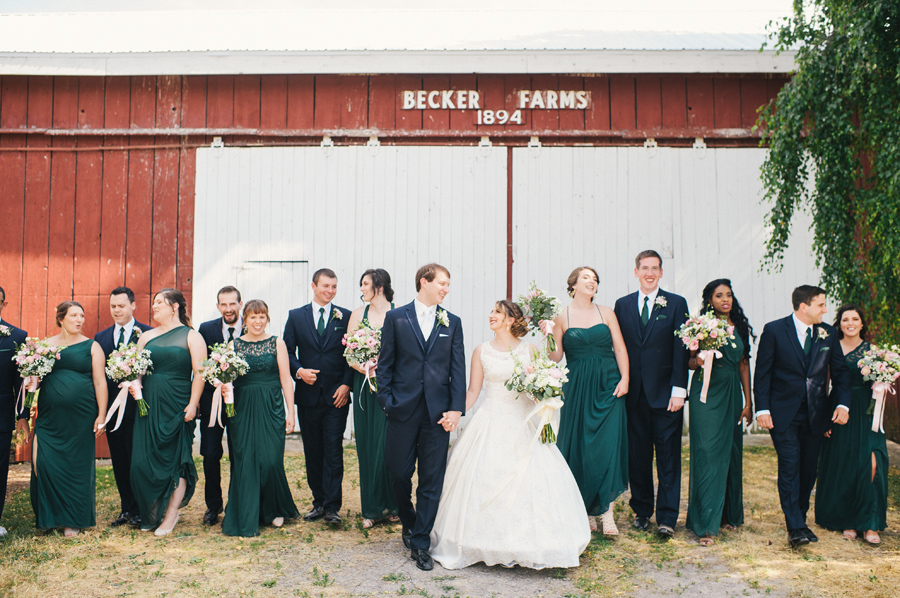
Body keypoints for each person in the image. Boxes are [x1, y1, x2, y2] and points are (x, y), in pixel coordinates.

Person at [431, 300, 590, 569]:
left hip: (522, 423)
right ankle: (477, 543)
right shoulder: (481, 351)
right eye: (491, 310)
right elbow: (472, 391)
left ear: (509, 320)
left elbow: (549, 367)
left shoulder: (529, 350)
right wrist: (457, 413)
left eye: (496, 312)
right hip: (489, 420)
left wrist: (549, 340)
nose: (490, 315)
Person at [377, 263, 465, 572]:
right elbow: (384, 364)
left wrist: (456, 408)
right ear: (424, 282)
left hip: (438, 414)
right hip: (402, 409)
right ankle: (409, 519)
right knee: (399, 473)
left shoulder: (452, 322)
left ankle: (421, 541)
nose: (446, 288)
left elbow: (457, 369)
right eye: (441, 282)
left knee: (431, 480)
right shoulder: (396, 318)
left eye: (448, 284)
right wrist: (387, 401)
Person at [754, 285, 851, 548]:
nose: (826, 309)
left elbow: (840, 375)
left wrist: (843, 404)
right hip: (782, 414)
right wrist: (762, 409)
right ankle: (795, 526)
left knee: (808, 470)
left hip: (816, 415)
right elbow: (762, 374)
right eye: (821, 304)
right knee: (790, 467)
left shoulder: (828, 332)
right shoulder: (774, 330)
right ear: (804, 306)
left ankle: (801, 517)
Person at [542, 267, 629, 535]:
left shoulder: (607, 312)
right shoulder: (561, 316)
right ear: (573, 285)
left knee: (607, 445)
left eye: (595, 279)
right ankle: (584, 511)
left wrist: (625, 378)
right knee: (580, 445)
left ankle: (607, 512)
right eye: (586, 278)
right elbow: (554, 357)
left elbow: (620, 347)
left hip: (609, 385)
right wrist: (546, 331)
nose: (592, 282)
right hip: (577, 386)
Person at [613, 250, 689, 539]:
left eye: (654, 268)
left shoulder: (676, 303)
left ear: (660, 272)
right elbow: (618, 348)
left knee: (668, 457)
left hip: (667, 395)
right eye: (645, 268)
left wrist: (679, 390)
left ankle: (667, 517)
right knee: (638, 457)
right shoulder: (622, 306)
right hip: (634, 396)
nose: (649, 273)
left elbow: (682, 350)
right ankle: (642, 511)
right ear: (636, 272)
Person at [130, 288, 206, 536]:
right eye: (153, 303)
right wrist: (132, 384)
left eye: (159, 303)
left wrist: (193, 404)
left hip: (178, 404)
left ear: (175, 307)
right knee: (143, 461)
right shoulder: (145, 337)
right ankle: (152, 511)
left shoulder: (191, 336)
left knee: (177, 460)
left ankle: (171, 514)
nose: (154, 307)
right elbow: (137, 372)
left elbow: (200, 373)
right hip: (148, 406)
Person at [29, 301, 108, 537]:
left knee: (75, 466)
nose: (79, 320)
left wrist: (101, 415)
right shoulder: (45, 346)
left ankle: (72, 520)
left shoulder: (92, 347)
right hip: (50, 417)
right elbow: (35, 379)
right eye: (74, 315)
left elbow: (100, 382)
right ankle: (50, 516)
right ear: (61, 318)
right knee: (42, 462)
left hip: (81, 417)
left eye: (82, 315)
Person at [685, 279, 754, 546]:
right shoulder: (700, 326)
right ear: (709, 300)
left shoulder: (740, 327)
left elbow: (744, 364)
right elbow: (690, 363)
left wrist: (749, 401)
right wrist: (698, 359)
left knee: (731, 451)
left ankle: (727, 515)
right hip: (706, 393)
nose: (725, 299)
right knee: (708, 451)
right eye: (719, 296)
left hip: (731, 393)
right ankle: (705, 525)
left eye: (728, 295)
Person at [223, 300, 300, 536]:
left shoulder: (277, 342)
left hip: (271, 406)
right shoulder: (233, 345)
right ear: (244, 319)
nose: (258, 321)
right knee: (246, 460)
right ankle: (249, 512)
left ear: (267, 319)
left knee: (270, 461)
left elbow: (286, 379)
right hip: (242, 408)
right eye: (253, 317)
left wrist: (291, 411)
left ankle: (274, 508)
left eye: (262, 316)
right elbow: (225, 378)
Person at [283, 269, 354, 525]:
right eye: (326, 286)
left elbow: (352, 353)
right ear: (313, 285)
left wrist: (347, 385)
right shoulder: (295, 316)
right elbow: (287, 351)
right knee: (313, 451)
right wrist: (299, 371)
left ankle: (333, 507)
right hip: (308, 397)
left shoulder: (346, 316)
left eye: (334, 287)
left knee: (333, 451)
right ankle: (318, 503)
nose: (330, 291)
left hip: (337, 397)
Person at [815, 304, 888, 545]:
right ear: (839, 324)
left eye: (855, 319)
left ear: (862, 323)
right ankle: (848, 520)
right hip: (840, 410)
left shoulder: (873, 352)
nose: (850, 323)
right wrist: (824, 418)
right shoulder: (830, 347)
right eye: (845, 319)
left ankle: (870, 523)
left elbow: (884, 380)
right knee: (845, 464)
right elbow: (823, 386)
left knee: (872, 463)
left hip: (867, 411)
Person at [94, 286, 153, 528]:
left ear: (133, 305)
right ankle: (127, 509)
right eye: (113, 306)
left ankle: (142, 509)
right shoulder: (101, 338)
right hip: (114, 411)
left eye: (121, 306)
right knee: (119, 459)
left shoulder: (148, 334)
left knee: (138, 459)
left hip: (140, 408)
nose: (116, 310)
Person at [345, 269, 398, 529]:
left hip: (393, 388)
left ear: (379, 286)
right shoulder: (358, 315)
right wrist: (366, 368)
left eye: (365, 284)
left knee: (390, 446)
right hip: (366, 385)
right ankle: (371, 508)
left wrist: (386, 369)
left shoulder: (399, 313)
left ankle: (394, 506)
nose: (362, 289)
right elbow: (349, 353)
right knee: (368, 445)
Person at [197, 286, 243, 526]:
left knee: (239, 453)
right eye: (223, 305)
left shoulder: (250, 327)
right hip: (211, 401)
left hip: (241, 402)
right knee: (210, 453)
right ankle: (213, 506)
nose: (228, 309)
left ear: (240, 304)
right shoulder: (206, 329)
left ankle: (237, 503)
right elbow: (200, 365)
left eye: (232, 304)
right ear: (218, 306)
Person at [1, 285, 27, 538]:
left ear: (3, 304)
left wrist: (23, 415)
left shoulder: (16, 336)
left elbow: (22, 383)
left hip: (1, 413)